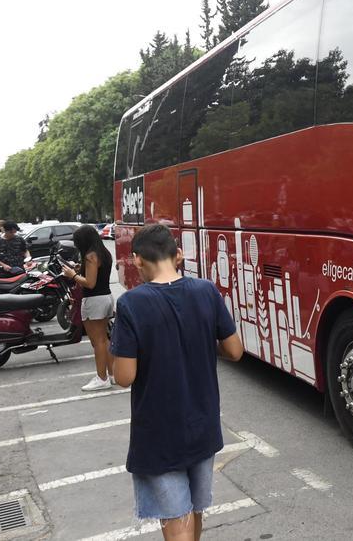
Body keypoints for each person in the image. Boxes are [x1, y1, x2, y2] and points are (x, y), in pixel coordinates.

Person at [112, 224, 243, 541]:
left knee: (175, 519)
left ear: (138, 261)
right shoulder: (206, 291)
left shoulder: (132, 304)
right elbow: (235, 351)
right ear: (179, 254)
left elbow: (124, 376)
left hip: (159, 434)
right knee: (194, 512)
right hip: (203, 425)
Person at [62, 225, 116, 391]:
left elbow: (90, 283)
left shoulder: (90, 256)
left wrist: (73, 275)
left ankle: (101, 378)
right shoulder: (103, 253)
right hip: (106, 297)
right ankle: (111, 374)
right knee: (104, 339)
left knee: (97, 341)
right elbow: (97, 277)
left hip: (94, 301)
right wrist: (80, 270)